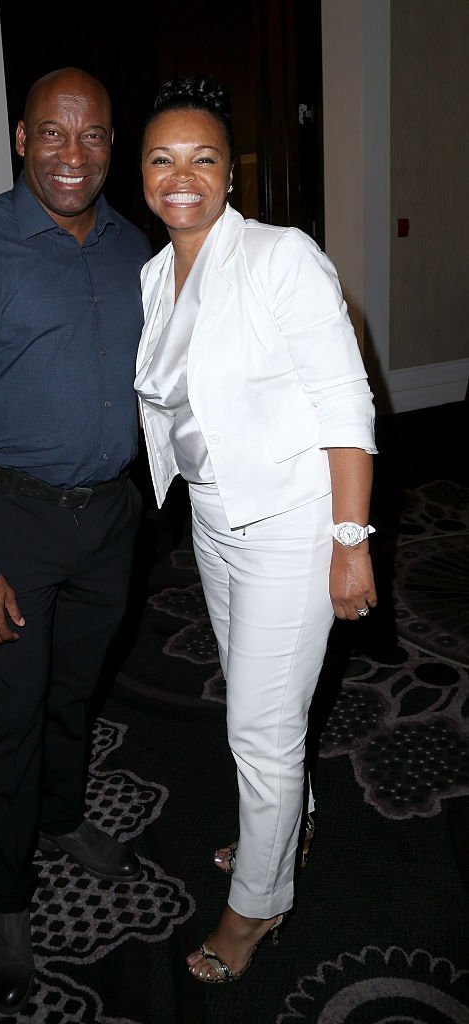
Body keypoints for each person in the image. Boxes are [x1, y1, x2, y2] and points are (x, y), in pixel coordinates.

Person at [0, 67, 152, 1015]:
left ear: (110, 144)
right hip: (7, 519)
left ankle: (60, 817)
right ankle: (6, 896)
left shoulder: (137, 247)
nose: (72, 156)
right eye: (53, 134)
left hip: (110, 519)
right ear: (19, 137)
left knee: (74, 691)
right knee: (12, 711)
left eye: (91, 138)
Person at [134, 74, 377, 985]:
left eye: (202, 158)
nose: (181, 176)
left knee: (258, 728)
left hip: (291, 522)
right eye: (162, 158)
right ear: (143, 174)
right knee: (256, 704)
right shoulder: (157, 273)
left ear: (230, 174)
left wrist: (348, 540)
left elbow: (345, 404)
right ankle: (289, 825)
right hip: (216, 517)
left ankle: (257, 907)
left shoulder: (281, 256)